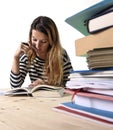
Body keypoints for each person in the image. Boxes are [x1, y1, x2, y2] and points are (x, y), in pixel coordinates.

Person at [10, 16, 73, 88]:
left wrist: (46, 86)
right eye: (34, 39)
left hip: (57, 98)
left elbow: (72, 86)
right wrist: (16, 58)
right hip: (36, 98)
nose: (37, 46)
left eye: (43, 41)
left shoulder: (61, 55)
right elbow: (15, 86)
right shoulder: (27, 54)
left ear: (51, 41)